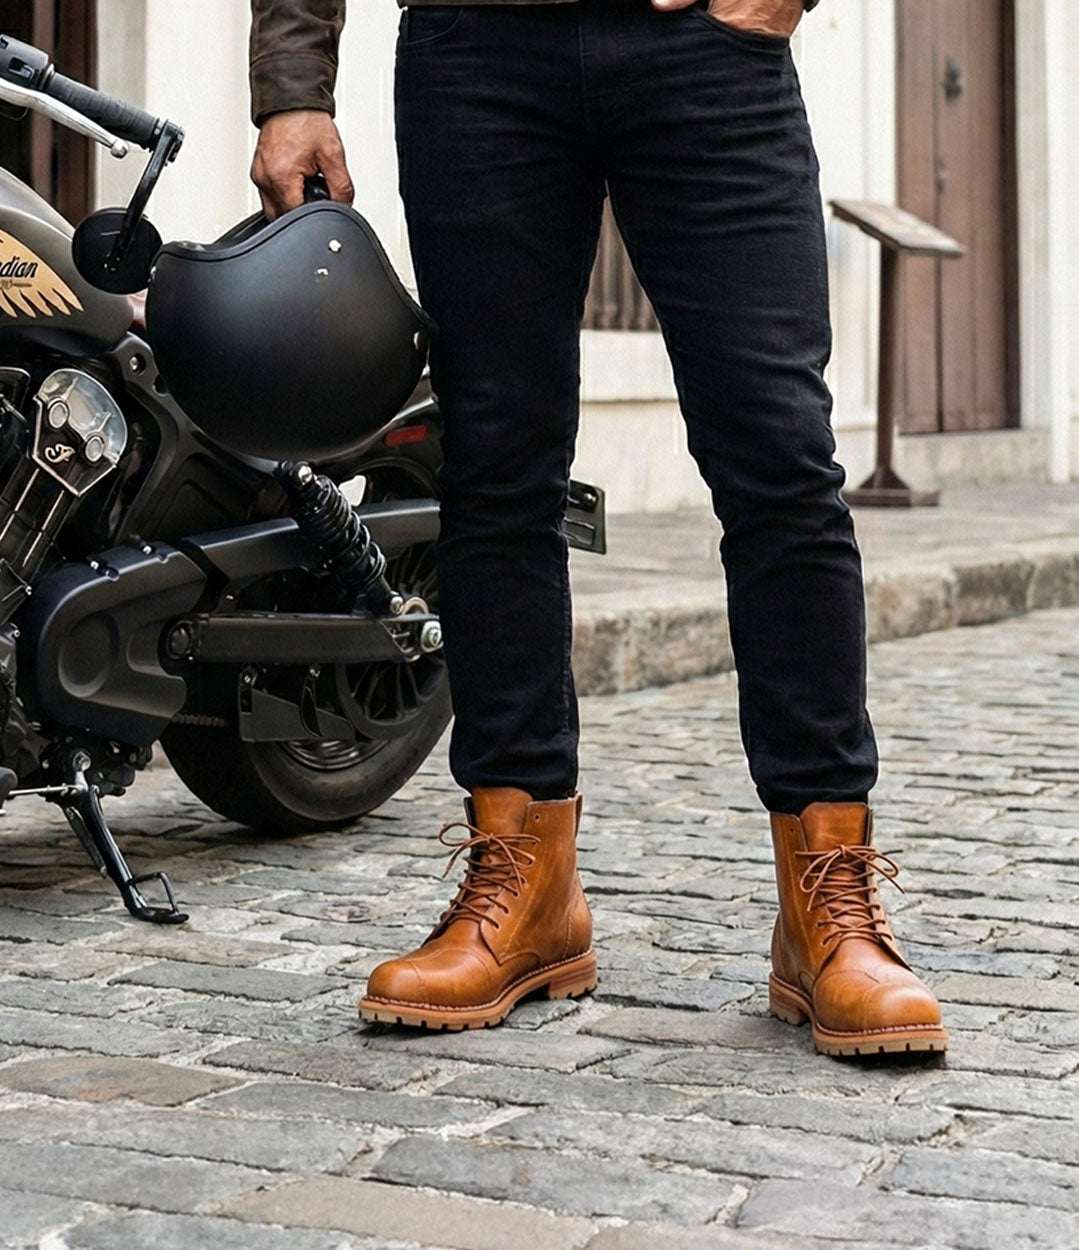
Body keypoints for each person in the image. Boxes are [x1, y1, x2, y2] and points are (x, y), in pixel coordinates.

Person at [249, 0, 947, 1057]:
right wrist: (294, 85)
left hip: (706, 52)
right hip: (475, 49)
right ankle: (523, 882)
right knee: (493, 465)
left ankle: (825, 897)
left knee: (780, 462)